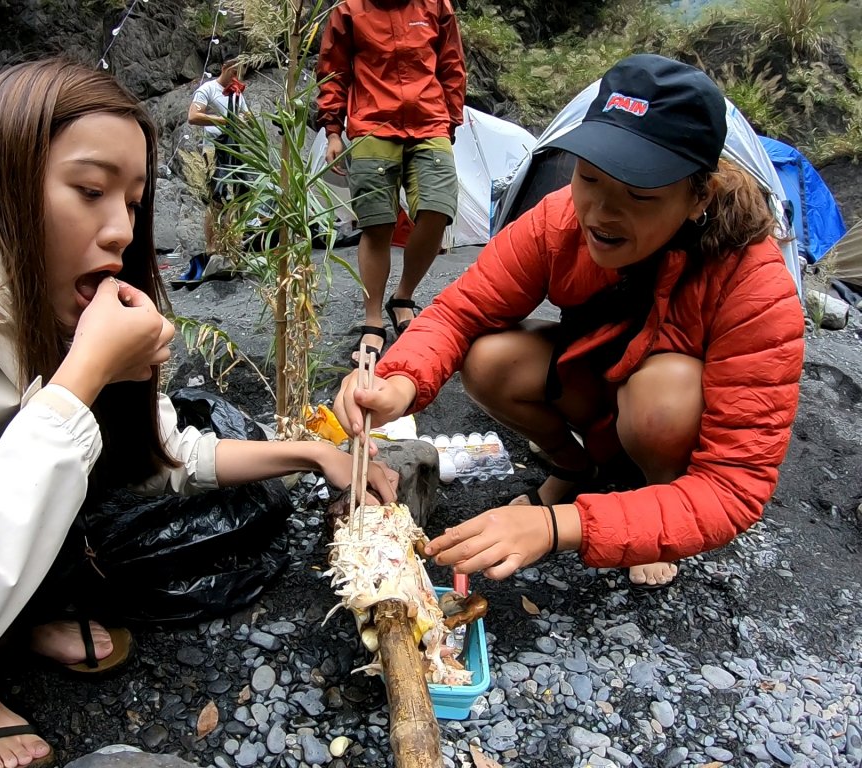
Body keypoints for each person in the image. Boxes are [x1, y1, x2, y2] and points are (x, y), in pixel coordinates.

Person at [0, 58, 395, 768]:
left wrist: (314, 454)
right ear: (3, 181)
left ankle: (17, 616)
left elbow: (163, 454)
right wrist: (83, 378)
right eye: (89, 190)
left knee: (91, 462)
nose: (120, 233)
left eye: (131, 202)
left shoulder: (44, 288)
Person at [334, 54, 805, 591]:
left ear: (699, 196)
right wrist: (397, 381)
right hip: (600, 378)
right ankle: (576, 471)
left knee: (664, 397)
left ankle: (645, 499)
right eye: (589, 177)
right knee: (489, 360)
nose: (600, 212)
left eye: (639, 195)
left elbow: (734, 487)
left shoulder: (754, 280)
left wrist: (562, 526)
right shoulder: (560, 219)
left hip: (662, 411)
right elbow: (462, 310)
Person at [315, 0, 467, 364]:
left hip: (430, 120)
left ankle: (403, 295)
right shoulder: (349, 10)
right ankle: (373, 320)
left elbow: (451, 65)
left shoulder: (435, 5)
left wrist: (452, 119)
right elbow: (333, 71)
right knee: (376, 222)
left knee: (437, 209)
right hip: (372, 123)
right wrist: (333, 131)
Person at [186, 57, 250, 260]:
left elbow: (247, 117)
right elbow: (193, 116)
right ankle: (211, 246)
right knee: (216, 196)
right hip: (213, 147)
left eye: (239, 73)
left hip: (233, 147)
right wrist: (223, 119)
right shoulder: (208, 89)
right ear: (225, 68)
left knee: (237, 195)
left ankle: (232, 242)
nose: (235, 77)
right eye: (233, 72)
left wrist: (245, 120)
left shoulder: (237, 93)